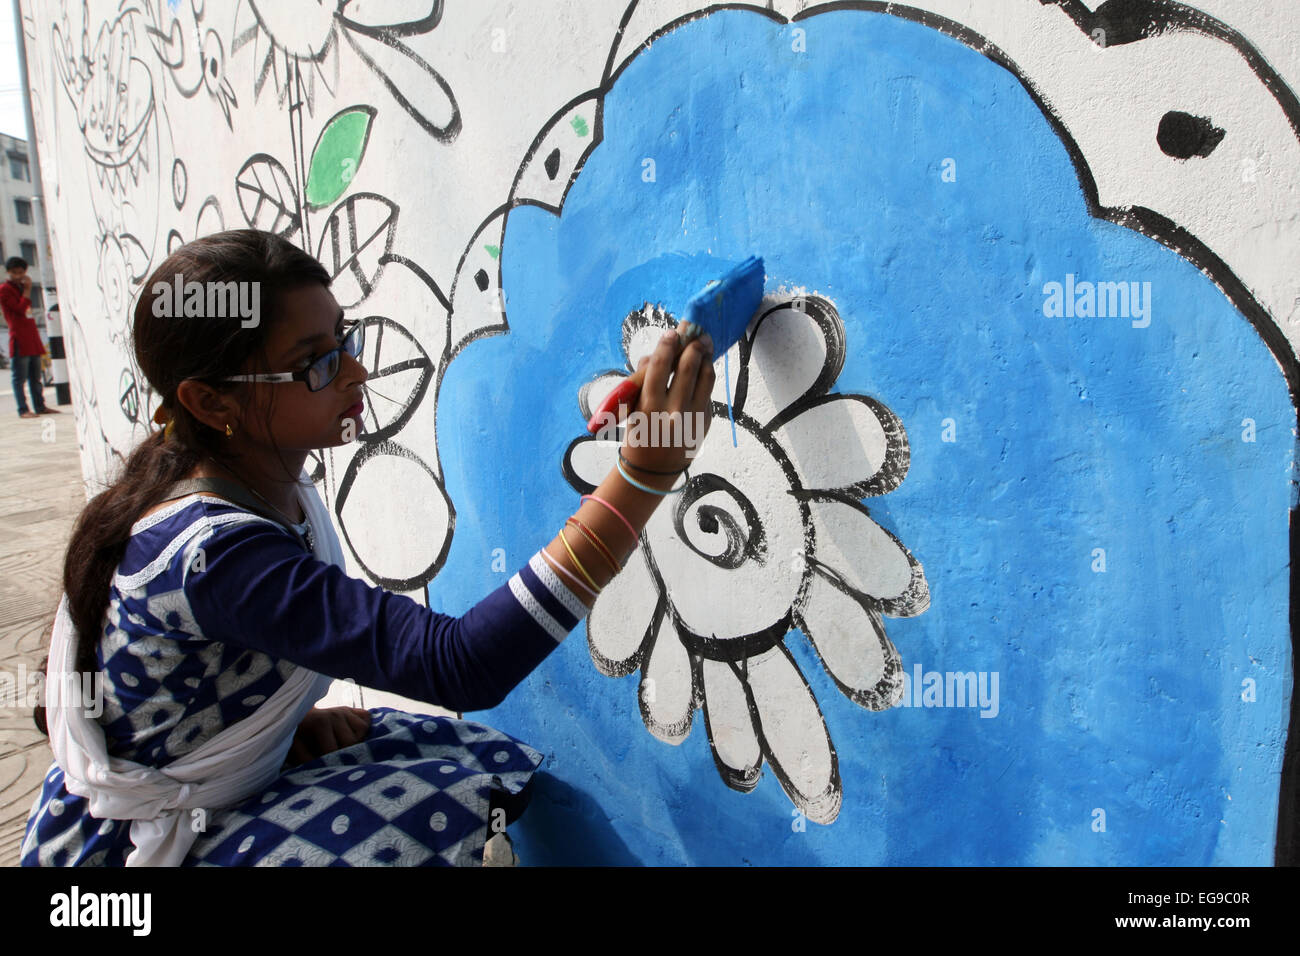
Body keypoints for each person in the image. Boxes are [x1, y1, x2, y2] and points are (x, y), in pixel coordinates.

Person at [20, 229, 714, 866]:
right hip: (134, 850)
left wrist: (266, 734)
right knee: (416, 822)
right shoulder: (212, 555)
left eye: (345, 342)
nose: (354, 375)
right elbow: (461, 664)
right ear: (210, 403)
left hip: (202, 783)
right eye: (315, 365)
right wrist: (642, 477)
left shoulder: (264, 487)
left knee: (463, 760)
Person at [2, 255, 58, 418]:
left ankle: (40, 406)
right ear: (9, 272)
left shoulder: (20, 288)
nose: (18, 276)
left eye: (21, 272)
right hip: (19, 338)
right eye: (15, 273)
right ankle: (23, 409)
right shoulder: (5, 290)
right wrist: (27, 290)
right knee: (19, 379)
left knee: (36, 377)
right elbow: (19, 309)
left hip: (32, 338)